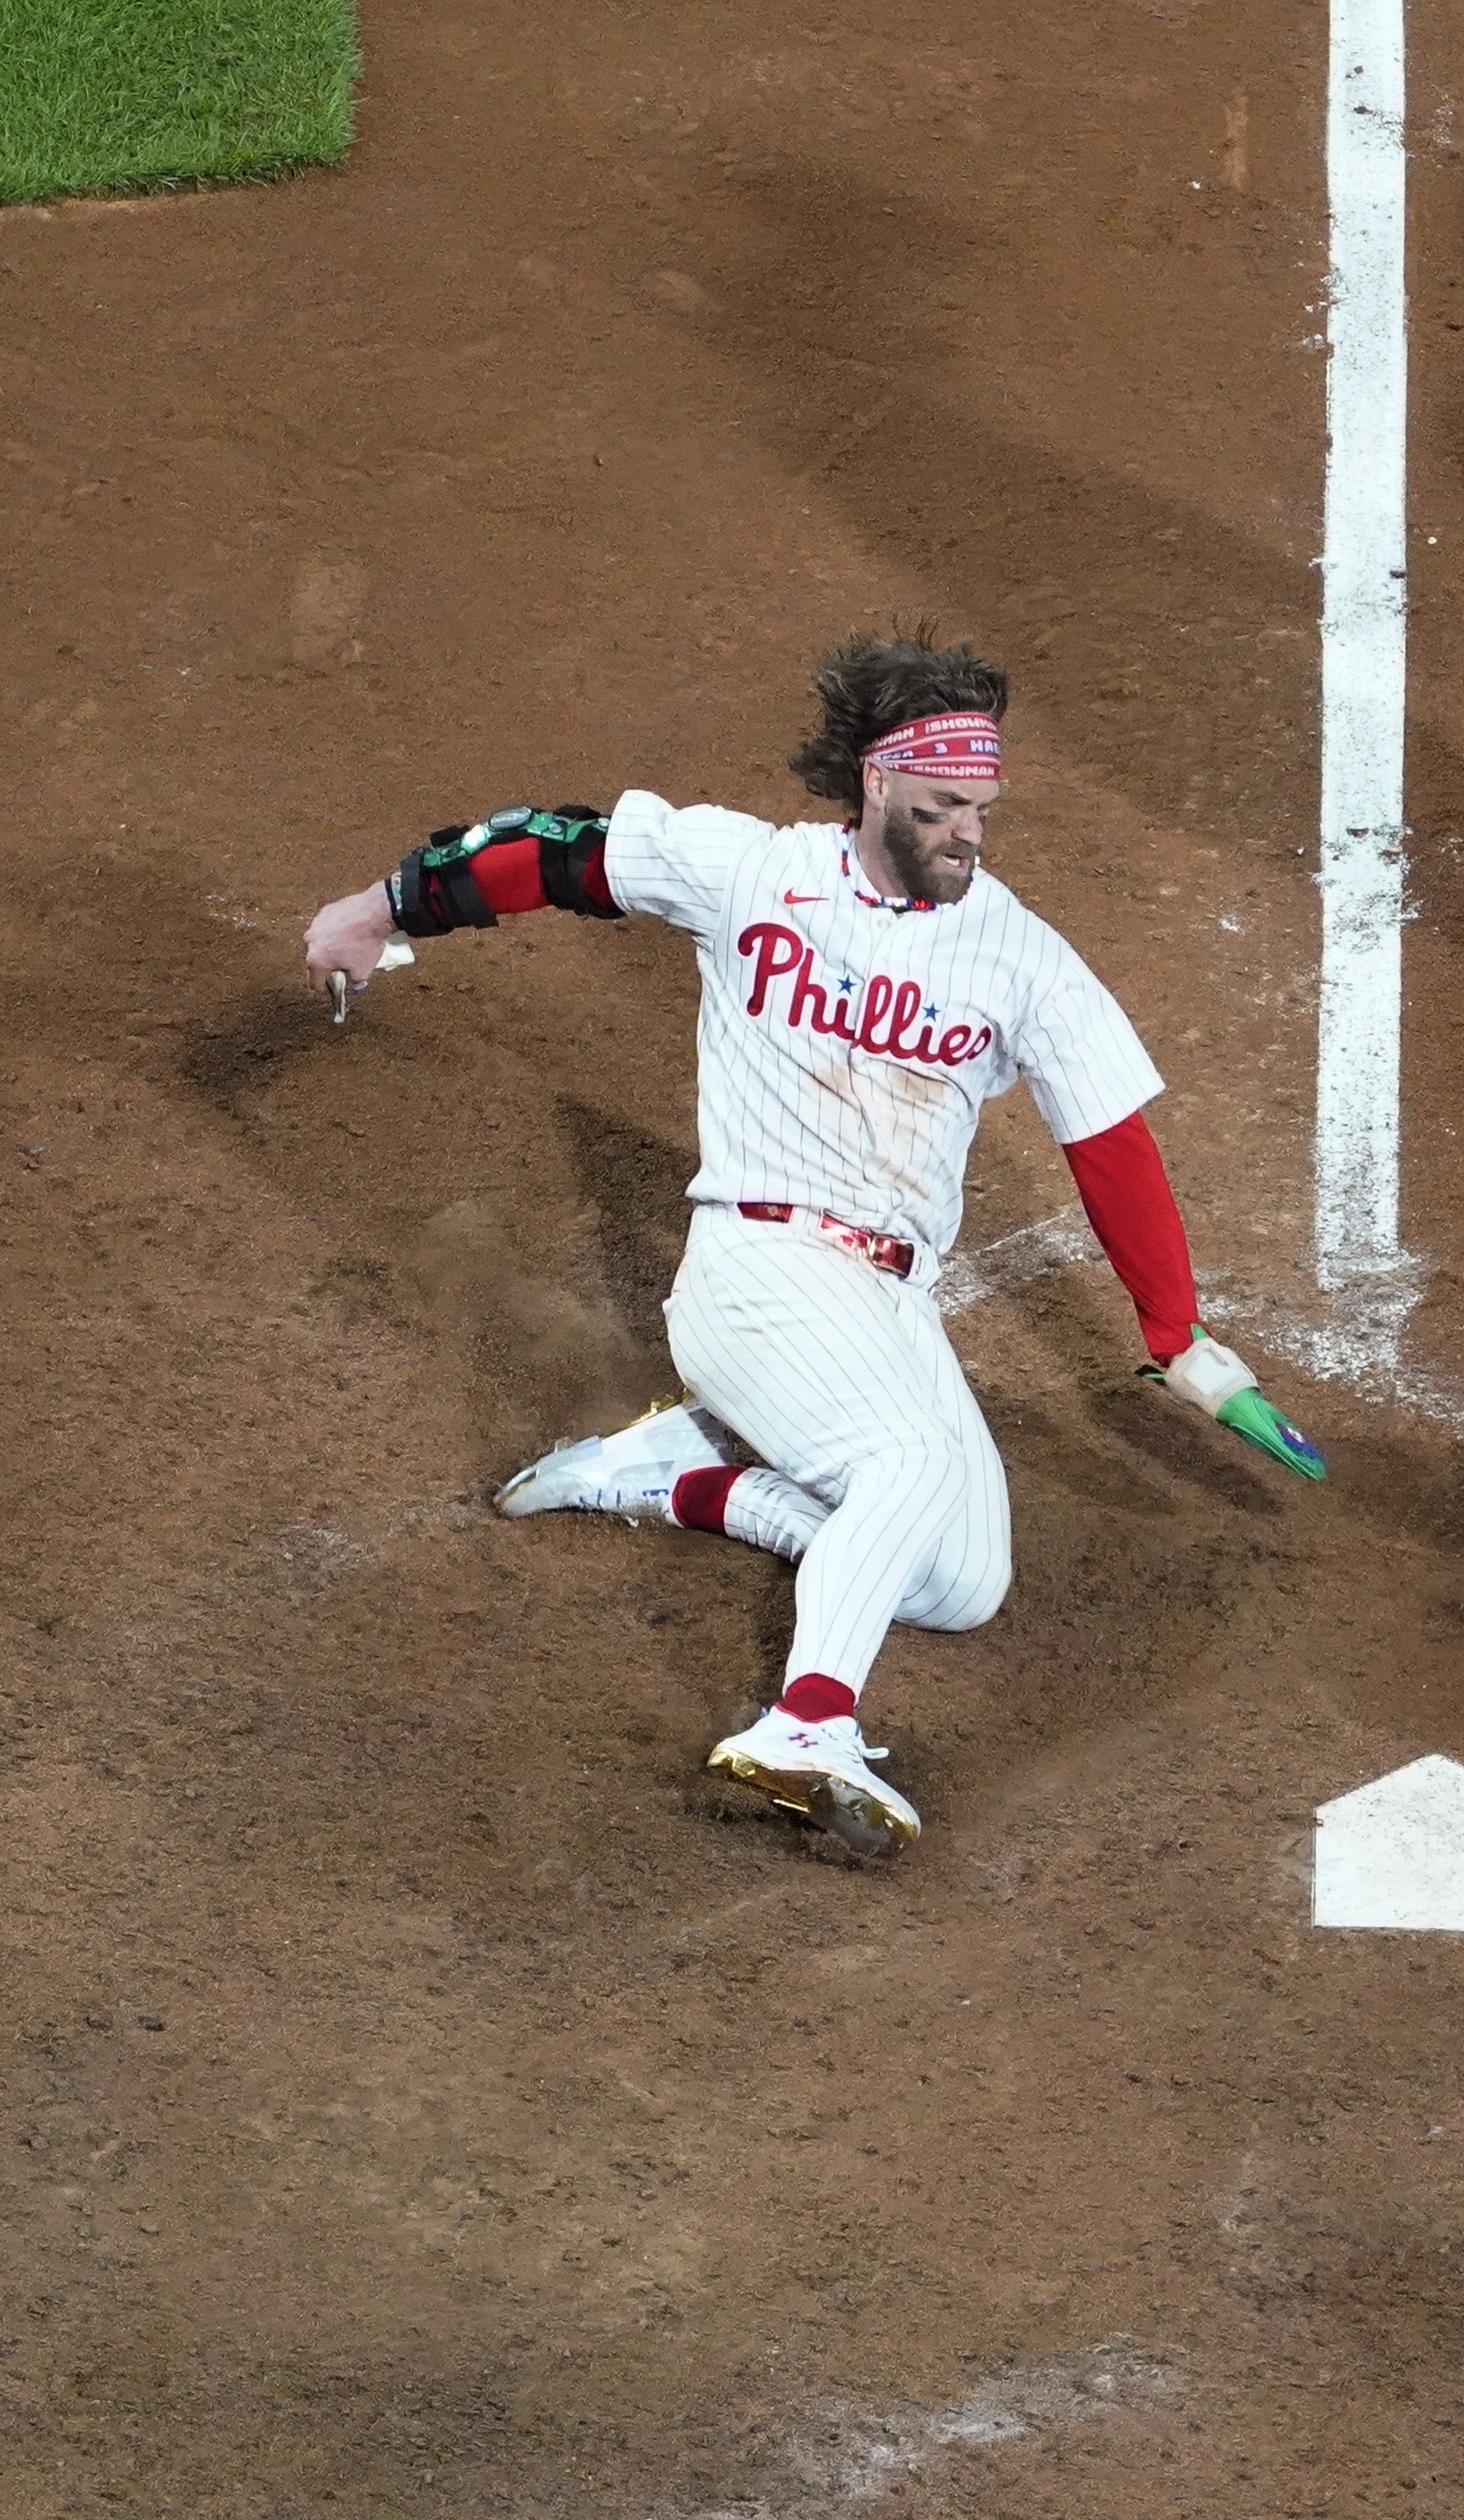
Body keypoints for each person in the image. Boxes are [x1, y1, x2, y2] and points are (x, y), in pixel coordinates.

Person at [297, 633, 1324, 1857]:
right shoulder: (753, 871)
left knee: (960, 1581)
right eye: (943, 810)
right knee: (906, 1463)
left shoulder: (1018, 957)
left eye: (982, 813)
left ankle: (678, 1473)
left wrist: (1173, 1328)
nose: (968, 838)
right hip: (754, 1272)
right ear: (878, 785)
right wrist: (378, 906)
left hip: (884, 1301)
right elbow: (557, 853)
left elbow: (1111, 1144)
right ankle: (807, 1720)